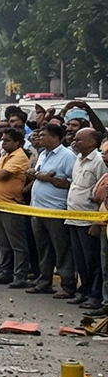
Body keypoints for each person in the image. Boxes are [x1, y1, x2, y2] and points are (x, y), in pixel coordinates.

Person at [28, 121, 77, 295]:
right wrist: (37, 175)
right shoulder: (43, 154)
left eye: (43, 135)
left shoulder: (67, 156)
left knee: (62, 249)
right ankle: (44, 281)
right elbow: (39, 173)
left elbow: (73, 182)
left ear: (55, 137)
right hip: (37, 209)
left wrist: (50, 180)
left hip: (55, 210)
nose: (39, 138)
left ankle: (67, 285)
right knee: (43, 248)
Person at [0, 126, 33, 286]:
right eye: (2, 140)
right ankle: (6, 272)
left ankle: (20, 276)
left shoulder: (19, 157)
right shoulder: (6, 156)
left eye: (7, 140)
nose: (3, 143)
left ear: (17, 142)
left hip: (12, 206)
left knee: (17, 244)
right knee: (3, 243)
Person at [65, 128, 104, 310]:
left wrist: (96, 221)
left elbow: (101, 194)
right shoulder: (78, 159)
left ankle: (94, 295)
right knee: (80, 259)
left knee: (93, 260)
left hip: (89, 220)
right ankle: (84, 290)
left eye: (79, 139)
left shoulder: (99, 161)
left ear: (91, 142)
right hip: (73, 217)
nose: (74, 141)